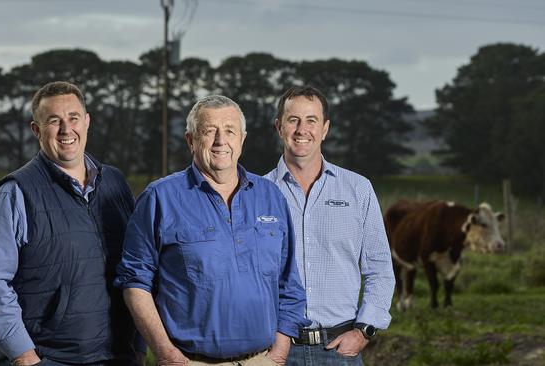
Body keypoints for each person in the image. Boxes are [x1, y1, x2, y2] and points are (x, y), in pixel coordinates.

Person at [114, 95, 309, 366]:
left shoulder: (271, 196)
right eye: (209, 131)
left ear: (242, 138)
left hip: (263, 360)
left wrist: (279, 352)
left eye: (230, 131)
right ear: (190, 140)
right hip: (189, 361)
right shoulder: (160, 198)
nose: (220, 141)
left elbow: (289, 281)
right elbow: (134, 282)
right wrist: (166, 354)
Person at [0, 81, 143, 366]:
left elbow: (137, 268)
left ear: (87, 121)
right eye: (54, 121)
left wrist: (138, 345)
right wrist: (24, 355)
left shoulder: (115, 184)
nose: (66, 130)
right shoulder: (15, 193)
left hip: (118, 355)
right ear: (36, 130)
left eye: (73, 118)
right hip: (48, 357)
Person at [264, 86, 395, 366]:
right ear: (279, 127)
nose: (302, 129)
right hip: (274, 351)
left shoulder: (358, 189)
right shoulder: (257, 193)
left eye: (311, 120)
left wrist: (364, 330)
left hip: (339, 351)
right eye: (293, 120)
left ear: (325, 129)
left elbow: (380, 268)